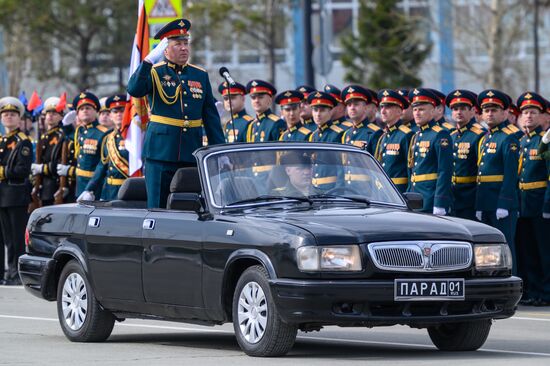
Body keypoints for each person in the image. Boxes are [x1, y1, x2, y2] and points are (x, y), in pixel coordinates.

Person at [127, 18, 224, 208]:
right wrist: (147, 62)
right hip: (161, 151)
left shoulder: (200, 75)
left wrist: (219, 150)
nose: (184, 48)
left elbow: (210, 117)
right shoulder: (154, 72)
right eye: (177, 44)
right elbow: (134, 89)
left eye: (186, 43)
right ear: (165, 48)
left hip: (191, 150)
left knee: (188, 205)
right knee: (158, 206)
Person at [475, 89, 519, 274]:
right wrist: (479, 204)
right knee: (487, 251)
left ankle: (509, 287)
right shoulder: (485, 138)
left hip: (501, 203)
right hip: (485, 200)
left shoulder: (509, 137)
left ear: (505, 112)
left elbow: (511, 175)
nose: (490, 114)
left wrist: (505, 203)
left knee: (505, 248)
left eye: (494, 110)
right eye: (486, 110)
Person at [514, 91, 550, 306]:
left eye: (533, 112)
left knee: (543, 250)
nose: (528, 116)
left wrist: (547, 203)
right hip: (522, 202)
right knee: (527, 250)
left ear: (543, 116)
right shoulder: (521, 141)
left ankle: (546, 293)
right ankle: (532, 290)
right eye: (525, 112)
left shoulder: (543, 141)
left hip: (539, 201)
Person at [0, 97, 32, 286]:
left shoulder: (23, 141)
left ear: (19, 118)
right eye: (5, 114)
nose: (8, 117)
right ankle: (3, 272)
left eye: (12, 114)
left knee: (15, 238)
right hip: (2, 195)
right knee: (3, 237)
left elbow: (22, 169)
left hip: (14, 195)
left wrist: (3, 171)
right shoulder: (2, 139)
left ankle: (15, 273)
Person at [406, 88, 453, 214]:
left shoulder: (440, 134)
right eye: (415, 109)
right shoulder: (416, 135)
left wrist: (440, 202)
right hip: (415, 198)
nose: (417, 113)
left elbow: (445, 171)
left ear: (432, 111)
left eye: (421, 109)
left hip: (430, 198)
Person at [58, 92, 109, 198]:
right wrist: (65, 125)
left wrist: (91, 189)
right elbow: (70, 136)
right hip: (80, 184)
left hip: (97, 186)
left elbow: (103, 165)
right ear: (77, 114)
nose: (85, 111)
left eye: (88, 108)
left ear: (96, 111)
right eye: (81, 109)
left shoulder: (103, 133)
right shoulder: (80, 131)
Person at [79, 94, 130, 201]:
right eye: (115, 112)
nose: (119, 115)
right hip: (109, 192)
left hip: (129, 190)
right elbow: (102, 165)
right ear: (110, 115)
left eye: (122, 111)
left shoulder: (135, 137)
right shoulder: (108, 137)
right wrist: (89, 189)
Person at [446, 90, 486, 221]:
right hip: (452, 196)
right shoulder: (451, 136)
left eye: (463, 108)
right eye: (455, 109)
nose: (459, 112)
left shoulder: (479, 134)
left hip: (470, 196)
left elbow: (482, 170)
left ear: (472, 111)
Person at [30, 97, 72, 206]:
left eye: (54, 113)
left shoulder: (62, 136)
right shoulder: (44, 136)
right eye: (48, 113)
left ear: (62, 116)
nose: (50, 116)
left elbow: (61, 162)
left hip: (55, 184)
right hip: (44, 186)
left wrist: (43, 168)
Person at [375, 89, 413, 193]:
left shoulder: (406, 135)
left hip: (399, 192)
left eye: (388, 107)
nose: (383, 111)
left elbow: (410, 171)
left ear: (399, 111)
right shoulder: (383, 136)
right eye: (382, 107)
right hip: (382, 191)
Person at [307, 91, 344, 190]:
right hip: (314, 188)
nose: (318, 114)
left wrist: (338, 189)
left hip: (331, 187)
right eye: (315, 110)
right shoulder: (313, 135)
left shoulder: (338, 134)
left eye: (322, 110)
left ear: (330, 112)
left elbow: (341, 166)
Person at [340, 85, 382, 156]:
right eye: (349, 105)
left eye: (356, 104)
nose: (352, 108)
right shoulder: (346, 133)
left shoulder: (375, 132)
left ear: (365, 108)